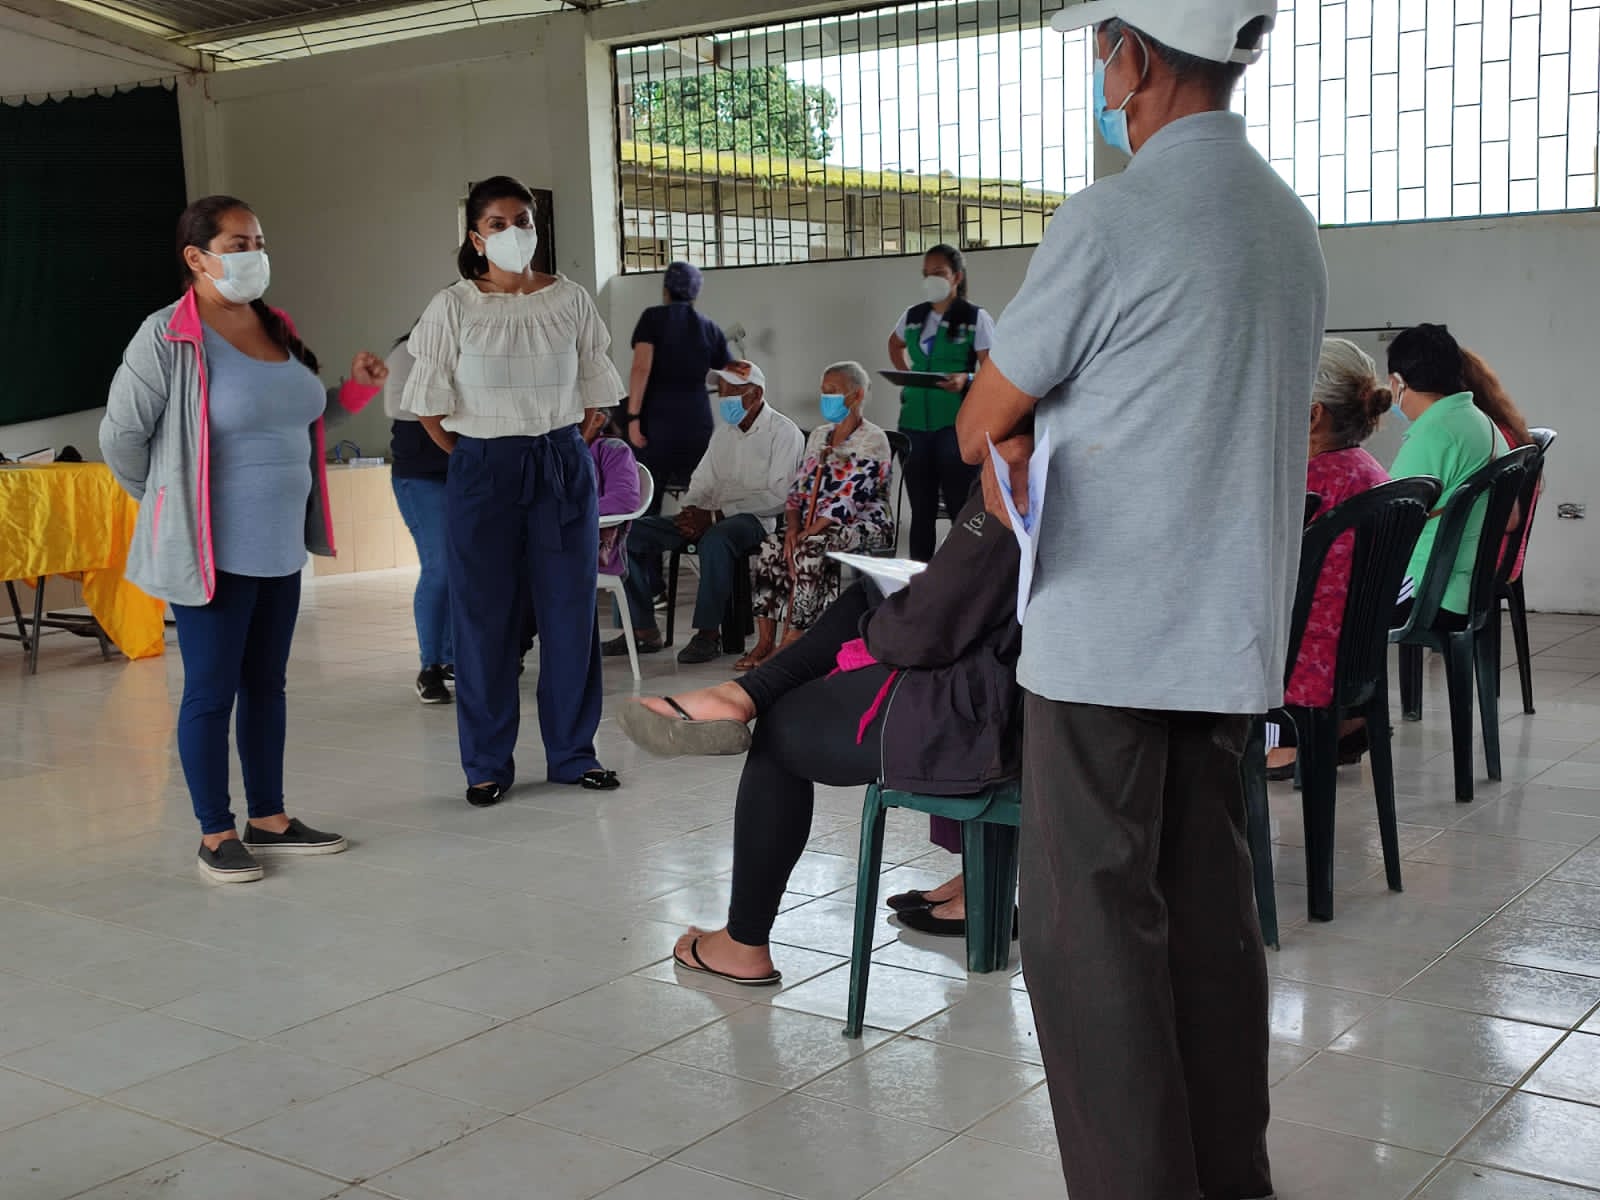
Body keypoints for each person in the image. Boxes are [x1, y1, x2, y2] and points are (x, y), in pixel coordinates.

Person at [952, 3, 1324, 1197]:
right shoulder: (1284, 222)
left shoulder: (1111, 217)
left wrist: (1013, 435)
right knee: (1208, 923)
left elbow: (980, 415)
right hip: (1225, 634)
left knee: (1092, 942)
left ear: (1140, 57)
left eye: (1102, 49)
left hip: (1106, 639)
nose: (1101, 74)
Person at [613, 487, 1020, 984]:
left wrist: (888, 617)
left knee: (784, 728)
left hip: (998, 713)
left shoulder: (1017, 476)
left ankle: (742, 944)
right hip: (1031, 695)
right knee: (871, 595)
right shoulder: (1066, 464)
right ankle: (741, 695)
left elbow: (928, 628)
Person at [100, 194, 388, 884]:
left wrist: (353, 392)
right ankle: (215, 833)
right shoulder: (165, 335)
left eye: (258, 241)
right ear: (196, 257)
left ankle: (270, 819)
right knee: (211, 690)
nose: (255, 254)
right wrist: (169, 503)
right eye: (238, 244)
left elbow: (295, 414)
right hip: (212, 550)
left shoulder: (273, 323)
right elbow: (121, 439)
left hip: (280, 545)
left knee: (267, 685)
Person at [402, 175, 625, 807]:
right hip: (482, 467)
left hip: (560, 462)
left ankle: (574, 753)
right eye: (496, 224)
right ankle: (486, 763)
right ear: (476, 238)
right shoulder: (453, 306)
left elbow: (596, 390)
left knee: (569, 612)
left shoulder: (570, 298)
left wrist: (566, 444)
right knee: (483, 618)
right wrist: (476, 455)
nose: (512, 232)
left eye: (521, 220)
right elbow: (428, 406)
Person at [608, 360, 804, 665]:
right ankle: (642, 629)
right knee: (628, 532)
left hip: (755, 519)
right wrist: (691, 511)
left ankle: (708, 634)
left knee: (716, 539)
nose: (725, 399)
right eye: (721, 392)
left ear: (756, 394)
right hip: (708, 515)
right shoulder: (723, 434)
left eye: (732, 392)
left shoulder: (783, 432)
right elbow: (702, 480)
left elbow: (780, 497)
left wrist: (715, 516)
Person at [1265, 338, 1393, 780]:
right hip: (1354, 665)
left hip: (1301, 673)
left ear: (1313, 414)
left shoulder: (1305, 487)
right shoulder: (1370, 472)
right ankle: (1346, 723)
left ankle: (1283, 738)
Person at [741, 362, 893, 670]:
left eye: (833, 391)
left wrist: (808, 533)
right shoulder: (820, 436)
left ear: (856, 395)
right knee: (772, 544)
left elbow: (850, 498)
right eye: (824, 391)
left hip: (863, 522)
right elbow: (797, 491)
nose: (826, 398)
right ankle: (765, 640)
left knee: (809, 548)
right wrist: (793, 527)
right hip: (814, 522)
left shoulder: (873, 439)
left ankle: (794, 640)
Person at [1387, 324, 1510, 618]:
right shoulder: (1480, 422)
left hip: (1425, 588)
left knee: (1324, 600)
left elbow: (1388, 521)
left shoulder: (1435, 434)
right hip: (1461, 586)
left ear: (1398, 382)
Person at [888, 244, 994, 561]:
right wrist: (907, 375)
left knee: (961, 507)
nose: (931, 279)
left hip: (956, 425)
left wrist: (966, 379)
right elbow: (894, 344)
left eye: (939, 272)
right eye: (926, 273)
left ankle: (961, 574)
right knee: (921, 511)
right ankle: (919, 579)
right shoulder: (913, 316)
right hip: (913, 425)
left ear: (956, 277)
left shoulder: (975, 318)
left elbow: (991, 370)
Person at [623, 261, 730, 512]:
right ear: (696, 294)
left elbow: (641, 368)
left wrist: (633, 418)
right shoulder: (709, 327)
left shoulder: (652, 318)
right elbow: (729, 375)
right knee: (698, 497)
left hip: (657, 423)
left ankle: (648, 539)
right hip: (697, 424)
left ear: (666, 289)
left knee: (648, 499)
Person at [384, 329, 454, 704]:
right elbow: (418, 412)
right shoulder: (408, 353)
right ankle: (430, 666)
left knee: (464, 567)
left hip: (463, 477)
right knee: (439, 566)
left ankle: (451, 657)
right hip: (421, 478)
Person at [1460, 346, 1538, 579]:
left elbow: (1507, 519)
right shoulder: (1504, 429)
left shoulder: (1490, 439)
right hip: (1502, 554)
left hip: (1488, 558)